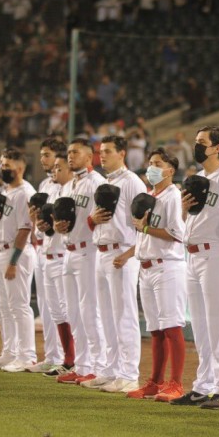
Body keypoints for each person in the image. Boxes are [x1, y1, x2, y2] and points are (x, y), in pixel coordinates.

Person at [172, 126, 219, 410]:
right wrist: (184, 210)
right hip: (193, 255)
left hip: (216, 254)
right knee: (200, 326)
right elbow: (186, 221)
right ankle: (203, 386)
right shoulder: (198, 178)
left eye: (202, 142)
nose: (197, 146)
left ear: (217, 148)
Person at [123, 147, 187, 402]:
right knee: (156, 330)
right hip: (146, 266)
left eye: (157, 163)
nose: (152, 167)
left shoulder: (173, 196)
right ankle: (155, 382)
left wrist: (146, 228)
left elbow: (176, 234)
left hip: (167, 266)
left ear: (170, 170)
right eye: (150, 162)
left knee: (172, 327)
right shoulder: (149, 195)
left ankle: (176, 384)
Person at [86, 135, 147, 393]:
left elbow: (145, 220)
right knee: (107, 316)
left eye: (108, 151)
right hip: (102, 252)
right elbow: (96, 221)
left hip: (122, 254)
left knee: (125, 315)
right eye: (101, 151)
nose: (103, 155)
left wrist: (131, 252)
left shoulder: (132, 181)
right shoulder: (105, 182)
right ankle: (110, 369)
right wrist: (92, 219)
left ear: (122, 154)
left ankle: (129, 373)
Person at [55, 139, 107, 385]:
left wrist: (88, 223)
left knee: (89, 310)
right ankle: (82, 364)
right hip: (69, 250)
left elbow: (104, 218)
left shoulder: (97, 183)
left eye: (75, 152)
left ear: (89, 157)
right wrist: (57, 226)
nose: (70, 156)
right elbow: (68, 220)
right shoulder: (69, 185)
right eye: (68, 152)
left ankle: (98, 366)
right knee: (73, 311)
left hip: (89, 251)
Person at [0, 148, 38, 372]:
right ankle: (9, 352)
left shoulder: (25, 192)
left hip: (17, 252)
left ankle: (26, 356)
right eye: (2, 164)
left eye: (7, 165)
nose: (3, 168)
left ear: (20, 168)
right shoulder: (4, 192)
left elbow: (25, 229)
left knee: (19, 306)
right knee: (4, 307)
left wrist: (13, 262)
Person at [26, 138, 65, 374]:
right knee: (47, 307)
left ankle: (67, 358)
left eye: (47, 154)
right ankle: (52, 355)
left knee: (63, 308)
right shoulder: (44, 184)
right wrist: (36, 221)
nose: (43, 159)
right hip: (43, 248)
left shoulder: (65, 185)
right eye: (42, 154)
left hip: (62, 251)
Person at [36, 152, 76, 378]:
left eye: (59, 167)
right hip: (49, 253)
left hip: (64, 255)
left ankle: (76, 360)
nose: (55, 171)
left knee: (69, 311)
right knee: (57, 313)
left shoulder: (72, 190)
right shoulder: (52, 189)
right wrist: (42, 225)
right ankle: (67, 359)